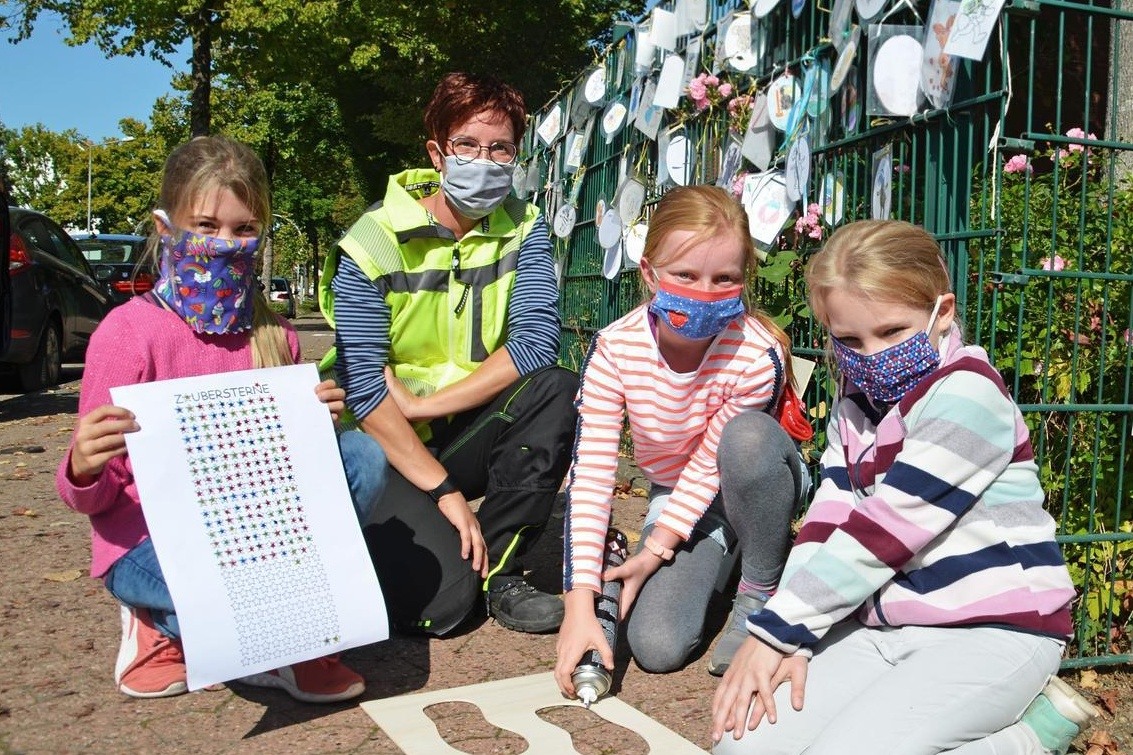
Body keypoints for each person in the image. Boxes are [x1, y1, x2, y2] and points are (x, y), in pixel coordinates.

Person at [711, 219, 1098, 754]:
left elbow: (885, 530)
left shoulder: (968, 395)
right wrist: (792, 637)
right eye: (848, 339)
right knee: (742, 746)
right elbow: (830, 516)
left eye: (892, 332)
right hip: (887, 625)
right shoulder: (853, 404)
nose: (870, 356)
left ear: (942, 312)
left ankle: (1027, 741)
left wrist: (780, 629)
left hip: (995, 628)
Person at [56, 136, 378, 702]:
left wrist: (319, 430)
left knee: (363, 457)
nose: (225, 244)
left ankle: (264, 634)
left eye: (243, 229)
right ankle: (157, 622)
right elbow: (94, 501)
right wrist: (82, 467)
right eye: (205, 225)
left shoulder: (273, 335)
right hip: (148, 540)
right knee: (236, 610)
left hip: (252, 534)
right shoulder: (127, 333)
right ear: (165, 228)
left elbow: (299, 479)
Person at [321, 72, 578, 637]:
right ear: (437, 152)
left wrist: (426, 407)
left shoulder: (526, 227)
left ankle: (504, 573)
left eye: (500, 148)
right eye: (467, 144)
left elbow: (535, 343)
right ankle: (354, 553)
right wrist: (443, 491)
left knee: (557, 388)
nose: (483, 160)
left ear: (516, 155)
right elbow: (365, 389)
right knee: (444, 612)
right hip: (385, 447)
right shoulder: (371, 240)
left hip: (451, 424)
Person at [553, 185, 810, 699]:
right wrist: (580, 600)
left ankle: (759, 586)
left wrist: (657, 549)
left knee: (745, 443)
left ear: (744, 281)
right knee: (656, 646)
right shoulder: (615, 349)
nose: (705, 292)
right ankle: (729, 547)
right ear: (649, 273)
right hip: (681, 495)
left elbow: (711, 465)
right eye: (685, 275)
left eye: (725, 279)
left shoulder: (755, 354)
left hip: (752, 471)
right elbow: (593, 474)